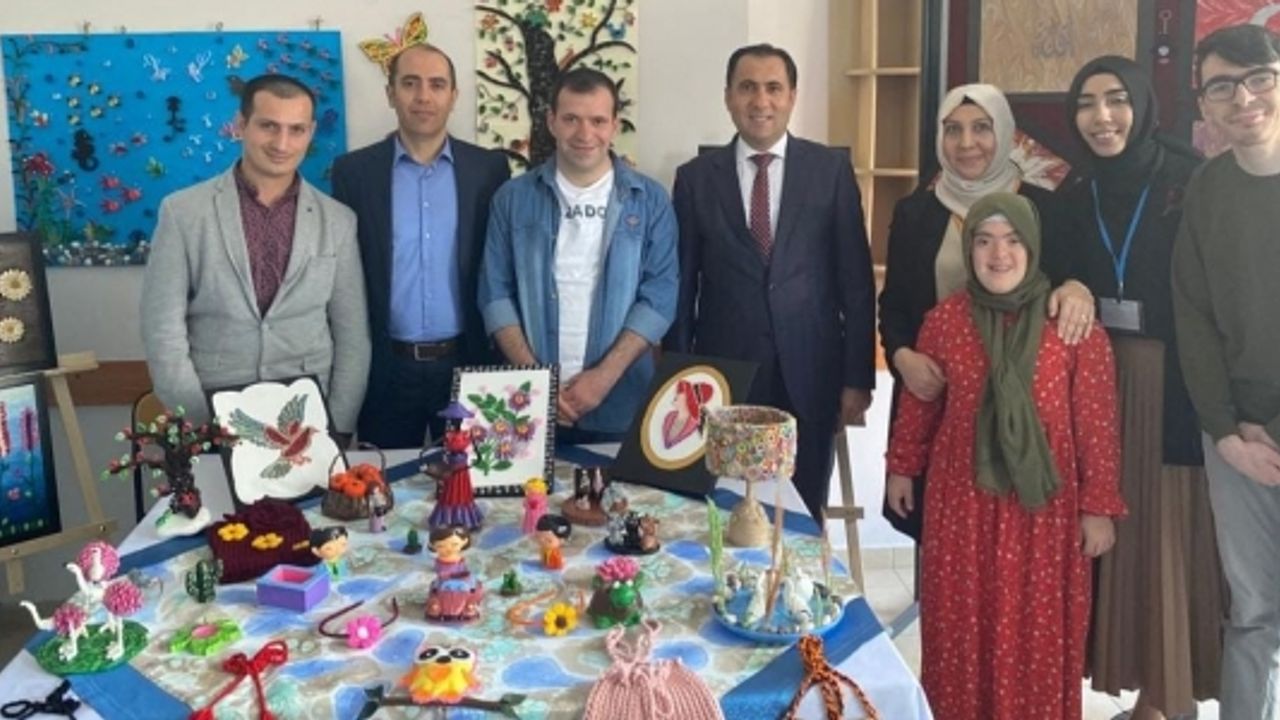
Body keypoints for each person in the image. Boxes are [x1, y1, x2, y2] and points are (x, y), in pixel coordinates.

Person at [885, 192, 1125, 719]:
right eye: (985, 241)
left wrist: (1099, 507)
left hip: (1045, 517)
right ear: (969, 250)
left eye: (1014, 241)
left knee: (1036, 633)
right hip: (962, 507)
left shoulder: (1072, 327)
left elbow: (1097, 427)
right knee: (959, 625)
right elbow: (923, 401)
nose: (999, 254)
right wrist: (901, 467)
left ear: (1033, 247)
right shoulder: (945, 321)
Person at [1056, 55, 1223, 720]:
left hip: (1176, 382)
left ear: (1144, 106)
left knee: (1167, 536)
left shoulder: (1189, 180)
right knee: (1113, 535)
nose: (1101, 117)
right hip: (1100, 382)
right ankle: (1143, 693)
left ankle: (1169, 696)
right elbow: (1056, 270)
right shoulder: (1075, 191)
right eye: (1086, 103)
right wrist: (1069, 283)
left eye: (1117, 99)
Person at [664, 44, 874, 521]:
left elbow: (856, 285)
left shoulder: (830, 172)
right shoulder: (696, 179)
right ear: (728, 97)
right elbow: (682, 289)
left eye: (774, 88)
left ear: (792, 96)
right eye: (747, 88)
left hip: (811, 374)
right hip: (723, 379)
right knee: (720, 512)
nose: (761, 101)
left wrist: (857, 378)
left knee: (800, 516)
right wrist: (680, 379)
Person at [878, 83, 1095, 541]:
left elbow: (1072, 281)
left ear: (1006, 132)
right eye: (952, 130)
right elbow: (894, 303)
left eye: (981, 128)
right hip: (938, 396)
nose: (966, 143)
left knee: (1018, 535)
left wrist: (1078, 285)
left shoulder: (1046, 209)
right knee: (939, 530)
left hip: (1025, 405)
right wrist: (902, 356)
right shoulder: (916, 212)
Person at [141, 74, 370, 432]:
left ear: (310, 133)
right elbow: (162, 331)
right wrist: (204, 425)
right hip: (213, 413)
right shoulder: (183, 213)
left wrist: (337, 427)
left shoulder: (339, 221)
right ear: (241, 125)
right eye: (268, 126)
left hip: (309, 420)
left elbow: (353, 335)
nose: (282, 143)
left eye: (296, 130)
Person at [1172, 23, 1280, 720]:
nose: (1243, 99)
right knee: (1255, 611)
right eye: (1222, 87)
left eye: (1258, 78)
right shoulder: (1207, 190)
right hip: (1236, 438)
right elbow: (1195, 316)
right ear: (1204, 104)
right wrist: (1227, 431)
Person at [478, 68, 677, 443]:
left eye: (597, 121)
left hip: (622, 403)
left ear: (614, 125)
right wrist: (539, 384)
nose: (585, 134)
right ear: (551, 121)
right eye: (571, 119)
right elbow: (495, 295)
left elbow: (660, 297)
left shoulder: (650, 201)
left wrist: (603, 378)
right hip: (527, 405)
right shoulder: (512, 199)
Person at [331, 44, 510, 448]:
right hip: (387, 367)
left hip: (468, 362)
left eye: (437, 85)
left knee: (472, 480)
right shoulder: (354, 172)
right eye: (410, 83)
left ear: (454, 96)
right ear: (390, 93)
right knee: (386, 481)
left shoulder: (489, 170)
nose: (423, 96)